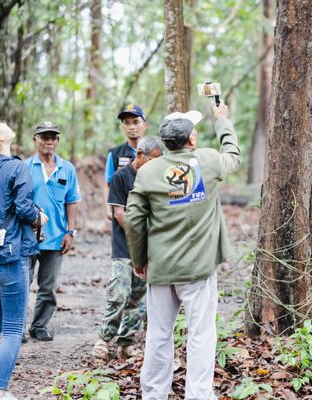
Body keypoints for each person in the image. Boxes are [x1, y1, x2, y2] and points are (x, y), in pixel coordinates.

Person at [125, 101, 240, 400]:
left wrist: (139, 259)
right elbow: (233, 155)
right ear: (191, 139)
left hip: (160, 268)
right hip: (198, 270)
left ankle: (153, 395)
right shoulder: (208, 161)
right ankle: (199, 395)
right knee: (201, 335)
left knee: (159, 336)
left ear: (164, 142)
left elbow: (134, 220)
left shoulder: (148, 172)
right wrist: (222, 121)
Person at [0, 117, 45, 399]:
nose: (5, 123)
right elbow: (23, 209)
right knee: (13, 326)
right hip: (11, 257)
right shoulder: (17, 167)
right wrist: (39, 216)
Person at [92, 136, 164, 361]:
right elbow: (119, 214)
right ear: (139, 154)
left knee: (139, 296)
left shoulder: (156, 178)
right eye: (151, 159)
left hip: (148, 248)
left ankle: (126, 342)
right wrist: (139, 236)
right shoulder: (121, 177)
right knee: (119, 293)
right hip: (125, 246)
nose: (154, 165)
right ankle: (104, 339)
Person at [25, 122, 82, 341]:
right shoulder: (25, 167)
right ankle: (16, 328)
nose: (49, 141)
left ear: (57, 141)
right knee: (23, 284)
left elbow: (72, 202)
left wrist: (70, 231)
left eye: (53, 138)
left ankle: (39, 326)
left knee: (47, 286)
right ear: (35, 140)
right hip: (27, 236)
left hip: (56, 237)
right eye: (44, 137)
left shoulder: (66, 169)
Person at [104, 104, 148, 220]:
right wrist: (109, 211)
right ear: (123, 126)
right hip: (123, 213)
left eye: (136, 122)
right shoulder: (114, 154)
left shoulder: (155, 152)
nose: (131, 127)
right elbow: (109, 184)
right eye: (127, 123)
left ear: (145, 125)